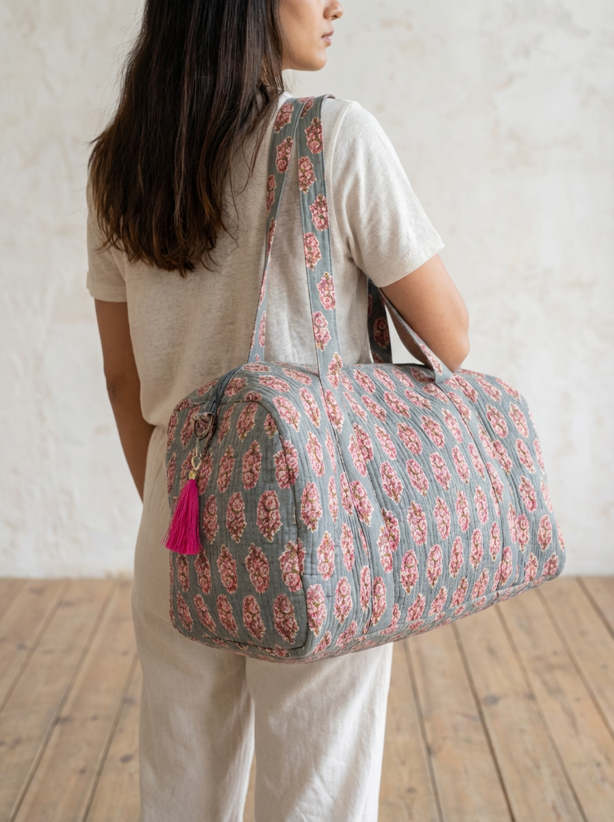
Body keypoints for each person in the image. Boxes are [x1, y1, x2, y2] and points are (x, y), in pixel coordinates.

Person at [86, 1, 469, 819]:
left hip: (180, 514)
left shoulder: (120, 164)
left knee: (180, 784)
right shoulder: (334, 138)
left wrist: (182, 512)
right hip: (316, 516)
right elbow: (451, 337)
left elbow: (122, 379)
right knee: (316, 791)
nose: (336, 4)